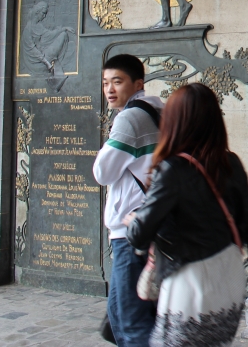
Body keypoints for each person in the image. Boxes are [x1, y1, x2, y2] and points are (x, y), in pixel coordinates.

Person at [126, 83, 248, 346]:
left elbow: (139, 235)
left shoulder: (171, 170)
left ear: (175, 122)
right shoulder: (231, 162)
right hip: (229, 276)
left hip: (190, 282)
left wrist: (132, 221)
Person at [92, 54, 163, 347]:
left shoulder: (130, 117)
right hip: (153, 224)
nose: (109, 90)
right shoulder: (160, 109)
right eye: (105, 83)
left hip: (130, 232)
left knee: (131, 322)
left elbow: (102, 172)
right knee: (122, 318)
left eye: (117, 82)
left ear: (138, 84)